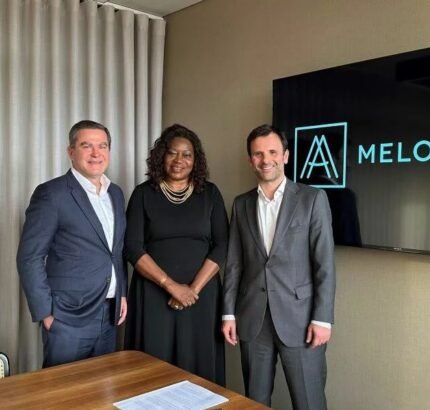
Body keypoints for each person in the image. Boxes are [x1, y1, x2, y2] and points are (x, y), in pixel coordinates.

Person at [222, 124, 336, 409]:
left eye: (273, 152)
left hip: (301, 320)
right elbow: (234, 263)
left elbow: (324, 264)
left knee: (308, 402)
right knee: (254, 401)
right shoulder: (241, 204)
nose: (266, 160)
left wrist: (323, 319)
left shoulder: (312, 198)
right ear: (250, 160)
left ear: (285, 156)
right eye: (258, 154)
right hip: (253, 319)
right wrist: (228, 313)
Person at [17, 120, 128, 368]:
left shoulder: (116, 194)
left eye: (102, 146)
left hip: (110, 314)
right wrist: (46, 313)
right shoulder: (52, 194)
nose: (96, 153)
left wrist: (121, 293)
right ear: (71, 151)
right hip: (67, 317)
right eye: (87, 146)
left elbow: (116, 251)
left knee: (103, 386)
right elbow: (29, 257)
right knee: (63, 389)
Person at [124, 124, 228, 385]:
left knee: (199, 372)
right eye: (172, 153)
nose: (179, 160)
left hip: (201, 297)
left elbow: (223, 245)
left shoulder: (211, 194)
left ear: (196, 160)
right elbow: (133, 247)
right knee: (151, 372)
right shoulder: (143, 194)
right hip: (153, 294)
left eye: (187, 154)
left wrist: (192, 290)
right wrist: (171, 286)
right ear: (162, 155)